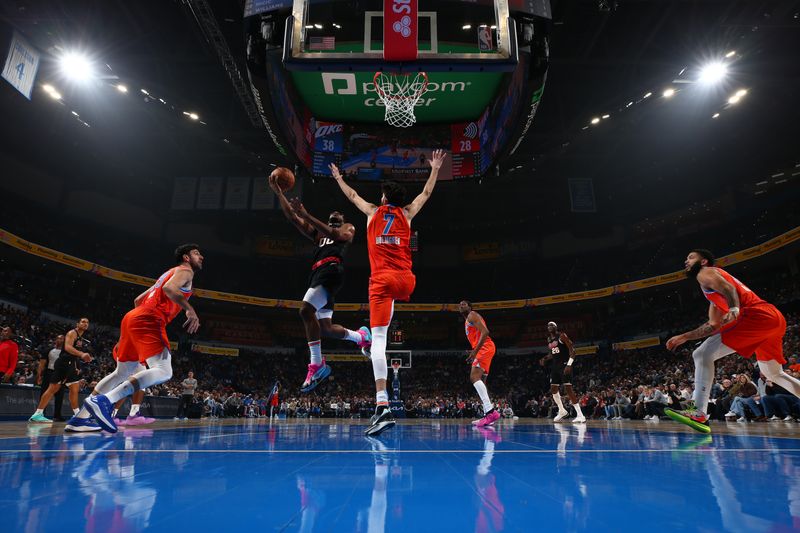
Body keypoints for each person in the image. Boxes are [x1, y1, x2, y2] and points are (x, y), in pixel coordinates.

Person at [331, 149, 447, 436]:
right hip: (406, 280)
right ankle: (381, 399)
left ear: (384, 199)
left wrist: (338, 177)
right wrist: (434, 168)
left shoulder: (373, 212)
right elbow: (427, 194)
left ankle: (382, 405)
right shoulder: (407, 214)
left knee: (379, 339)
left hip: (382, 281)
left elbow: (352, 197)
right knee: (385, 322)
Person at [665, 249, 798, 434]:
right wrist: (685, 336)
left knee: (702, 353)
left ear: (703, 262)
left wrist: (734, 308)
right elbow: (712, 325)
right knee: (774, 373)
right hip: (773, 319)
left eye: (690, 257)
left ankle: (699, 413)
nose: (686, 261)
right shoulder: (713, 296)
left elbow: (729, 289)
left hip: (756, 316)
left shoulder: (706, 272)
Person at [81, 244, 203, 433]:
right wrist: (190, 310)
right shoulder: (185, 271)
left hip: (133, 316)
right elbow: (171, 289)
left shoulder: (166, 274)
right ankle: (105, 401)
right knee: (163, 370)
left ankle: (80, 419)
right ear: (186, 258)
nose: (201, 257)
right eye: (196, 253)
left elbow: (138, 300)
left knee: (121, 373)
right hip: (149, 318)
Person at [269, 174, 371, 392]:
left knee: (305, 311)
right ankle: (360, 336)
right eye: (332, 214)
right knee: (325, 328)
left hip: (331, 271)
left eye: (339, 215)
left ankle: (316, 364)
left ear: (342, 220)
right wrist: (279, 193)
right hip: (319, 274)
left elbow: (336, 234)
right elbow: (293, 219)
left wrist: (307, 214)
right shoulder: (319, 235)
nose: (336, 214)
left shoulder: (347, 228)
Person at [30, 318, 93, 424]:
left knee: (74, 388)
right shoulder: (72, 333)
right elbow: (68, 348)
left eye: (87, 322)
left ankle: (77, 415)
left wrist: (76, 366)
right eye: (83, 322)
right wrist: (82, 354)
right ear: (77, 324)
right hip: (63, 364)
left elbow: (72, 354)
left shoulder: (80, 338)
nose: (85, 324)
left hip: (70, 364)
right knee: (53, 388)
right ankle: (37, 414)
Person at [459, 300, 500, 427]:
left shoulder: (472, 315)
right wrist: (474, 350)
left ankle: (490, 412)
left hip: (485, 347)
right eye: (459, 305)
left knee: (474, 377)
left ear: (470, 307)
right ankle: (488, 416)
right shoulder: (467, 320)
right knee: (482, 381)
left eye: (464, 304)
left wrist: (475, 351)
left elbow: (485, 332)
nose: (461, 305)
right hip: (484, 348)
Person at [539, 322, 586, 423]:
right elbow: (553, 353)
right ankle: (562, 411)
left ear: (556, 327)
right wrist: (545, 358)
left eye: (552, 325)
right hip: (555, 367)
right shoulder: (549, 340)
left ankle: (580, 415)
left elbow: (572, 351)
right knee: (553, 389)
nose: (550, 327)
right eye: (548, 326)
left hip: (564, 365)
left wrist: (569, 364)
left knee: (568, 389)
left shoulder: (562, 336)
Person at [37, 335, 65, 417]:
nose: (60, 340)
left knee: (60, 395)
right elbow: (42, 364)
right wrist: (39, 375)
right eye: (59, 338)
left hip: (61, 374)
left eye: (62, 339)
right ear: (55, 340)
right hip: (49, 373)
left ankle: (57, 415)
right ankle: (41, 414)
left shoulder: (66, 352)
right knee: (44, 393)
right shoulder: (48, 350)